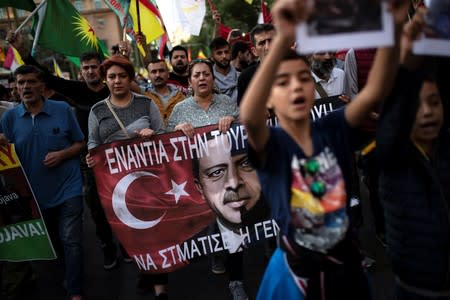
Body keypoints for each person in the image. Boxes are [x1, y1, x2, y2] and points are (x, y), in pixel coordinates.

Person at [240, 0, 409, 298]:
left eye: (303, 78)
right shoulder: (273, 144)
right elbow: (250, 117)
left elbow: (373, 92)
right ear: (268, 99)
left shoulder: (333, 127)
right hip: (297, 275)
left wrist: (392, 26)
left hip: (344, 264)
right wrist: (283, 37)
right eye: (283, 82)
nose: (296, 87)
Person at [377, 8, 450, 299]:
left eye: (434, 102)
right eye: (417, 105)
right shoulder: (393, 157)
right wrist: (406, 62)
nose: (428, 112)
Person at [0, 65, 85, 300]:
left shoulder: (63, 110)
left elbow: (81, 143)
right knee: (55, 242)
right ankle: (66, 274)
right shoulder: (9, 118)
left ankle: (75, 290)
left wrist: (63, 155)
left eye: (30, 82)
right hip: (34, 196)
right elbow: (6, 153)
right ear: (16, 88)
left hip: (69, 188)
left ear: (42, 86)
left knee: (71, 239)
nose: (26, 87)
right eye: (21, 83)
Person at [86, 55, 167, 300]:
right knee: (133, 234)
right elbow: (93, 142)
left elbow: (164, 136)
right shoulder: (97, 110)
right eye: (112, 77)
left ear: (130, 78)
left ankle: (160, 288)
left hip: (147, 179)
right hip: (116, 186)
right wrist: (91, 157)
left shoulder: (146, 104)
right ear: (105, 80)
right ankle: (146, 272)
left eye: (122, 76)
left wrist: (151, 134)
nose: (117, 81)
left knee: (153, 231)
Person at [167, 60, 248, 299]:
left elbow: (242, 132)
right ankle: (216, 254)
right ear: (190, 82)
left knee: (233, 226)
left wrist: (233, 121)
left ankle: (236, 282)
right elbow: (165, 145)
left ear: (213, 79)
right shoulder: (180, 109)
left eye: (206, 74)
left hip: (227, 178)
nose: (202, 78)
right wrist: (177, 129)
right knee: (210, 228)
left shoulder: (226, 103)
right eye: (197, 75)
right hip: (196, 182)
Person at [237, 23, 276, 105]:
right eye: (262, 43)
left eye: (271, 41)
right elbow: (243, 113)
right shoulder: (245, 77)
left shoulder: (294, 69)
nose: (268, 47)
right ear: (254, 51)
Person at [145, 59, 185, 125]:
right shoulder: (145, 98)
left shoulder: (181, 96)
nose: (158, 75)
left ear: (168, 74)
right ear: (148, 76)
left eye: (161, 71)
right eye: (154, 72)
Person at [209, 37, 239, 103]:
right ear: (212, 57)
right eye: (219, 53)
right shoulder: (208, 81)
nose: (224, 56)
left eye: (226, 52)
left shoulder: (241, 77)